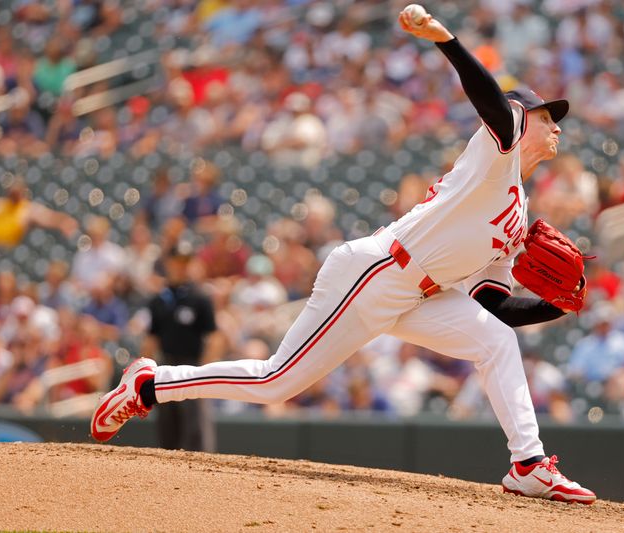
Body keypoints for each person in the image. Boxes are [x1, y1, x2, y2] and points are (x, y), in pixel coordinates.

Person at [91, 8, 596, 504]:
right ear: (521, 118)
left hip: (419, 294)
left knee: (495, 341)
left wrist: (558, 306)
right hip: (376, 271)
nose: (557, 127)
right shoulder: (498, 150)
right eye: (547, 116)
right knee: (275, 383)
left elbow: (492, 302)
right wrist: (445, 38)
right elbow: (486, 95)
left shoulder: (517, 215)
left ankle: (528, 464)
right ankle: (150, 383)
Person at [139, 240, 222, 452]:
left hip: (191, 366)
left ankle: (199, 471)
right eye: (177, 261)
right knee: (167, 425)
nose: (181, 266)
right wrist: (144, 371)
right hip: (165, 366)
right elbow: (151, 338)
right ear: (168, 263)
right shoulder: (159, 300)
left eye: (185, 261)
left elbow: (214, 338)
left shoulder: (200, 298)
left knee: (195, 425)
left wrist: (204, 371)